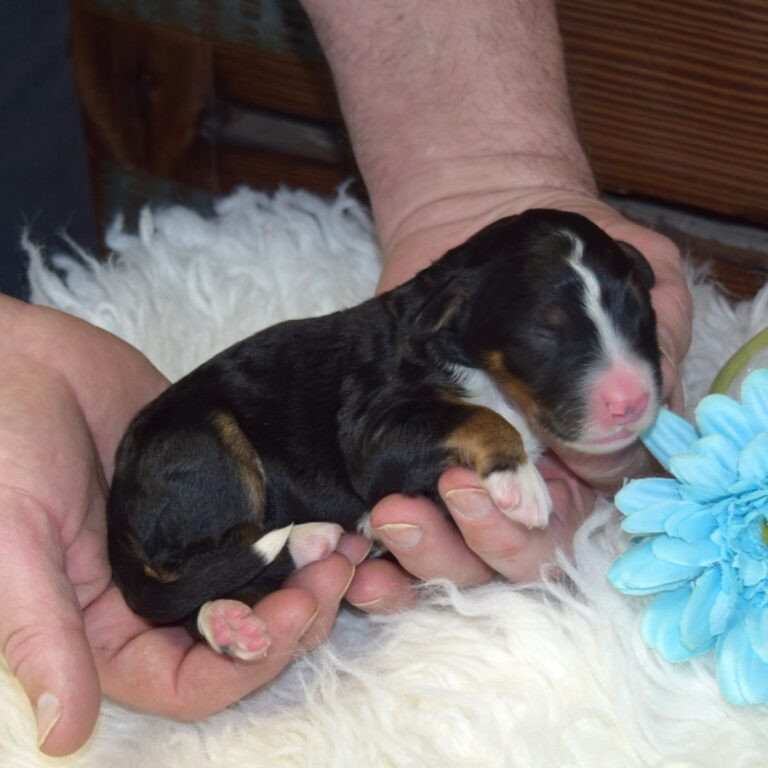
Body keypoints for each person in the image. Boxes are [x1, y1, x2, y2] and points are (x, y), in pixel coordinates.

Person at [0, 0, 692, 757]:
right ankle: (208, 575)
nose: (622, 377)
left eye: (629, 317)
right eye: (551, 340)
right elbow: (383, 450)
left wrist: (484, 174)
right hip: (203, 452)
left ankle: (225, 586)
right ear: (458, 318)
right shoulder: (414, 355)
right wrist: (493, 445)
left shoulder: (452, 325)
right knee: (220, 455)